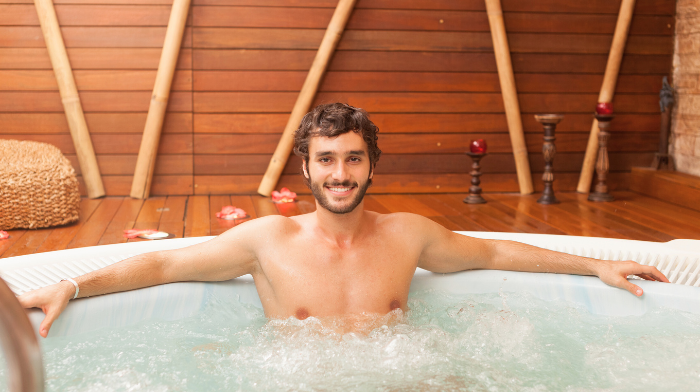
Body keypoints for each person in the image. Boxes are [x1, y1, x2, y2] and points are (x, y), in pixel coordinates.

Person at [19, 103, 669, 338]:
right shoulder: (266, 242)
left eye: (352, 159)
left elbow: (495, 255)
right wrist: (73, 286)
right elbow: (161, 262)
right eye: (326, 160)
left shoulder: (408, 235)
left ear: (371, 165)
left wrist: (595, 264)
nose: (339, 174)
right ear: (306, 169)